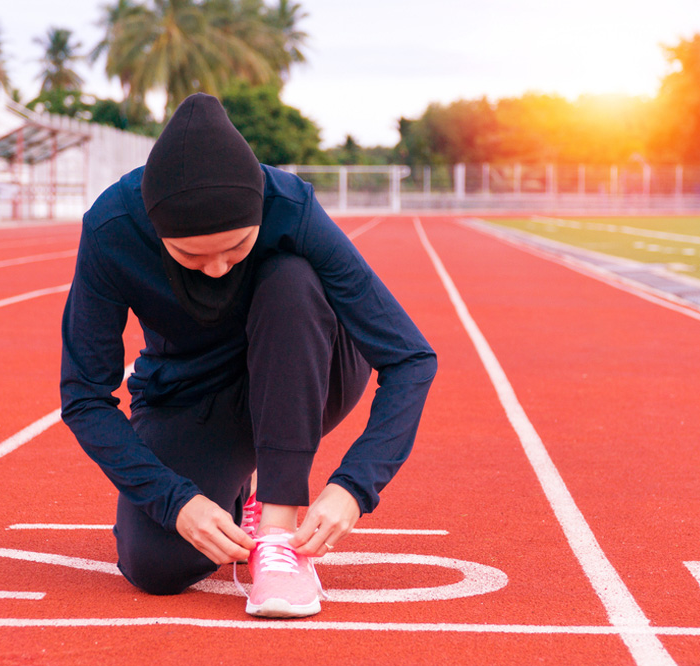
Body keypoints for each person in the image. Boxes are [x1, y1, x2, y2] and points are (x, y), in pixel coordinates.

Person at [59, 93, 436, 618]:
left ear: (260, 208)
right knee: (156, 566)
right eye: (190, 256)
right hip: (194, 393)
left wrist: (354, 487)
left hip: (307, 364)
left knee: (291, 280)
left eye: (236, 248)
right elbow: (84, 397)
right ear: (153, 225)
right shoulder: (110, 229)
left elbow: (410, 358)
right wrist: (177, 501)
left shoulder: (291, 204)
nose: (216, 269)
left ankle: (279, 533)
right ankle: (242, 486)